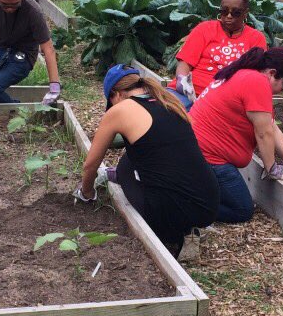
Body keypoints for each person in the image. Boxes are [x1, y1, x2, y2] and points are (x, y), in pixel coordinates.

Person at [76, 64, 219, 257]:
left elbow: (91, 163)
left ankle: (169, 236)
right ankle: (184, 228)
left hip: (178, 209)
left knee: (125, 169)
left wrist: (87, 191)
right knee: (137, 158)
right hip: (209, 203)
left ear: (115, 95)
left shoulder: (121, 110)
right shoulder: (168, 100)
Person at [189, 46, 283, 223]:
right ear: (272, 73)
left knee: (220, 196)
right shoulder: (257, 82)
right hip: (209, 157)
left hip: (197, 151)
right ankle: (184, 206)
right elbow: (263, 133)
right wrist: (272, 168)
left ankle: (194, 193)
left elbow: (271, 127)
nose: (282, 91)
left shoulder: (245, 75)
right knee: (241, 211)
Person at [170, 0, 267, 108]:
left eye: (235, 12)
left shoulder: (256, 38)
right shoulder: (204, 29)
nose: (229, 16)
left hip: (225, 102)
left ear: (245, 13)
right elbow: (184, 64)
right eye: (224, 11)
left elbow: (257, 77)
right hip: (189, 93)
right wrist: (183, 83)